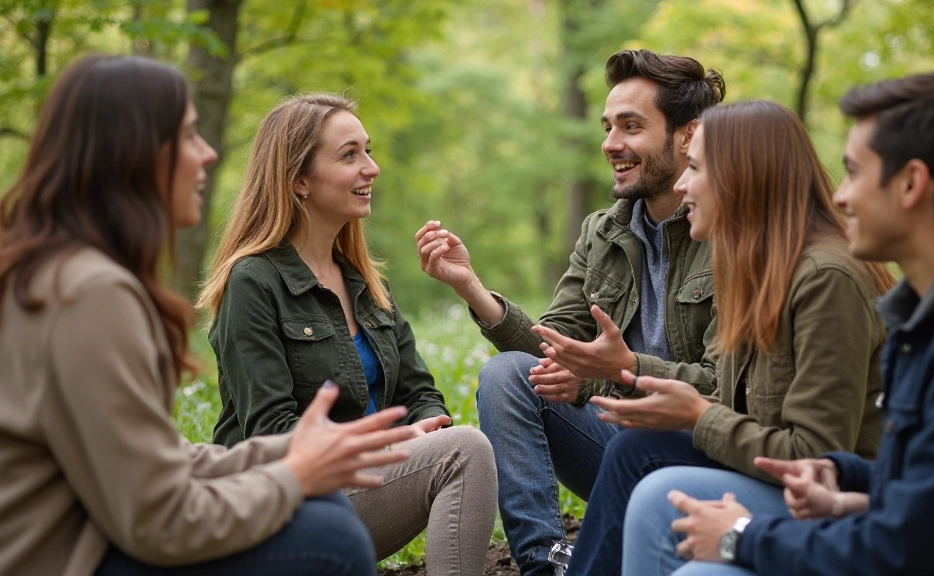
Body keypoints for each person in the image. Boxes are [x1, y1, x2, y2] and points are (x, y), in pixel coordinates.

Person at [0, 54, 417, 576]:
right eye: (189, 137)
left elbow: (159, 460)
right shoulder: (90, 295)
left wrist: (296, 455)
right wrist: (293, 476)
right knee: (328, 537)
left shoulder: (61, 274)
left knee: (320, 509)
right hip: (68, 556)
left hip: (96, 529)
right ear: (133, 154)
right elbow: (157, 519)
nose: (209, 154)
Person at [649, 72, 934, 576]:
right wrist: (843, 484)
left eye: (854, 172)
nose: (841, 197)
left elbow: (901, 550)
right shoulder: (931, 313)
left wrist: (744, 535)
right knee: (654, 491)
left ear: (912, 183)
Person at [416, 49, 724, 575]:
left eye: (631, 126)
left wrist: (613, 373)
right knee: (506, 375)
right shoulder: (603, 231)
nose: (610, 144)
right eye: (607, 127)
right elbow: (555, 350)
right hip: (618, 444)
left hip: (703, 459)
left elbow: (726, 389)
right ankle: (549, 563)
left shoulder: (732, 237)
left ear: (688, 135)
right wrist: (473, 289)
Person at [565, 99, 896, 576]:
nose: (680, 184)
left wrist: (698, 415)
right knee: (633, 451)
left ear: (743, 178)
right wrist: (672, 400)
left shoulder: (826, 278)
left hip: (830, 508)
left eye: (694, 168)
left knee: (654, 492)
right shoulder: (753, 269)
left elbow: (817, 460)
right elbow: (741, 405)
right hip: (769, 474)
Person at [199, 93, 498, 576]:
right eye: (350, 154)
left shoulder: (362, 280)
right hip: (280, 506)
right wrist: (394, 441)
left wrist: (427, 426)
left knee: (458, 444)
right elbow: (271, 432)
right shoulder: (252, 281)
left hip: (360, 489)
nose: (372, 168)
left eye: (369, 150)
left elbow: (419, 392)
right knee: (466, 451)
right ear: (298, 180)